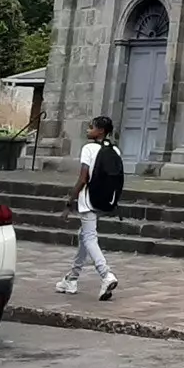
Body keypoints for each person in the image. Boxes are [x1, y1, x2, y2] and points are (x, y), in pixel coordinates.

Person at [57, 115, 120, 300]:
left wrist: (70, 201)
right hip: (105, 200)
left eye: (91, 127)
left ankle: (106, 274)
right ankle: (72, 278)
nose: (88, 130)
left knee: (90, 238)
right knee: (84, 236)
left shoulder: (89, 148)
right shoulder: (115, 149)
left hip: (88, 201)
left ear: (100, 131)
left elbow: (83, 178)